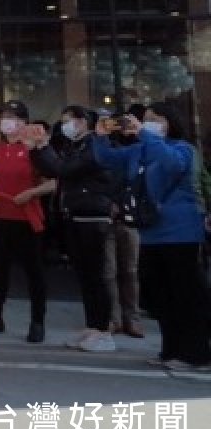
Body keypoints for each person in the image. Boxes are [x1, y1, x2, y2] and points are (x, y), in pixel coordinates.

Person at [93, 104, 209, 369]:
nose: (147, 124)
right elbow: (107, 159)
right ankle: (171, 350)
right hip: (152, 231)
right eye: (145, 120)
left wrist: (146, 134)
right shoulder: (140, 149)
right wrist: (100, 136)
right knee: (162, 295)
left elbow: (172, 164)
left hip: (181, 232)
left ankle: (197, 353)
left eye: (155, 120)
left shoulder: (182, 149)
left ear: (170, 122)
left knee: (186, 294)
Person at [27, 105, 118, 353]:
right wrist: (37, 149)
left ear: (82, 122)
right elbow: (52, 170)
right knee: (86, 276)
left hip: (94, 216)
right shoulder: (74, 146)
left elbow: (64, 169)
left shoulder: (94, 145)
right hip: (75, 215)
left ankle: (104, 330)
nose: (65, 126)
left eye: (69, 121)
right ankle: (92, 326)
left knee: (98, 276)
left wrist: (44, 147)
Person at [0, 100, 54, 343]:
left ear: (23, 122)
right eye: (4, 117)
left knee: (33, 272)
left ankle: (37, 321)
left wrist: (29, 194)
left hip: (26, 218)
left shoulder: (34, 150)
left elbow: (54, 180)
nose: (6, 121)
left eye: (12, 117)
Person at [100, 104, 145, 338]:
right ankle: (114, 317)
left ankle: (132, 317)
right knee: (109, 271)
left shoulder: (141, 147)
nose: (123, 128)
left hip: (131, 215)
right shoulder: (106, 147)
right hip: (108, 213)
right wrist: (100, 135)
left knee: (130, 270)